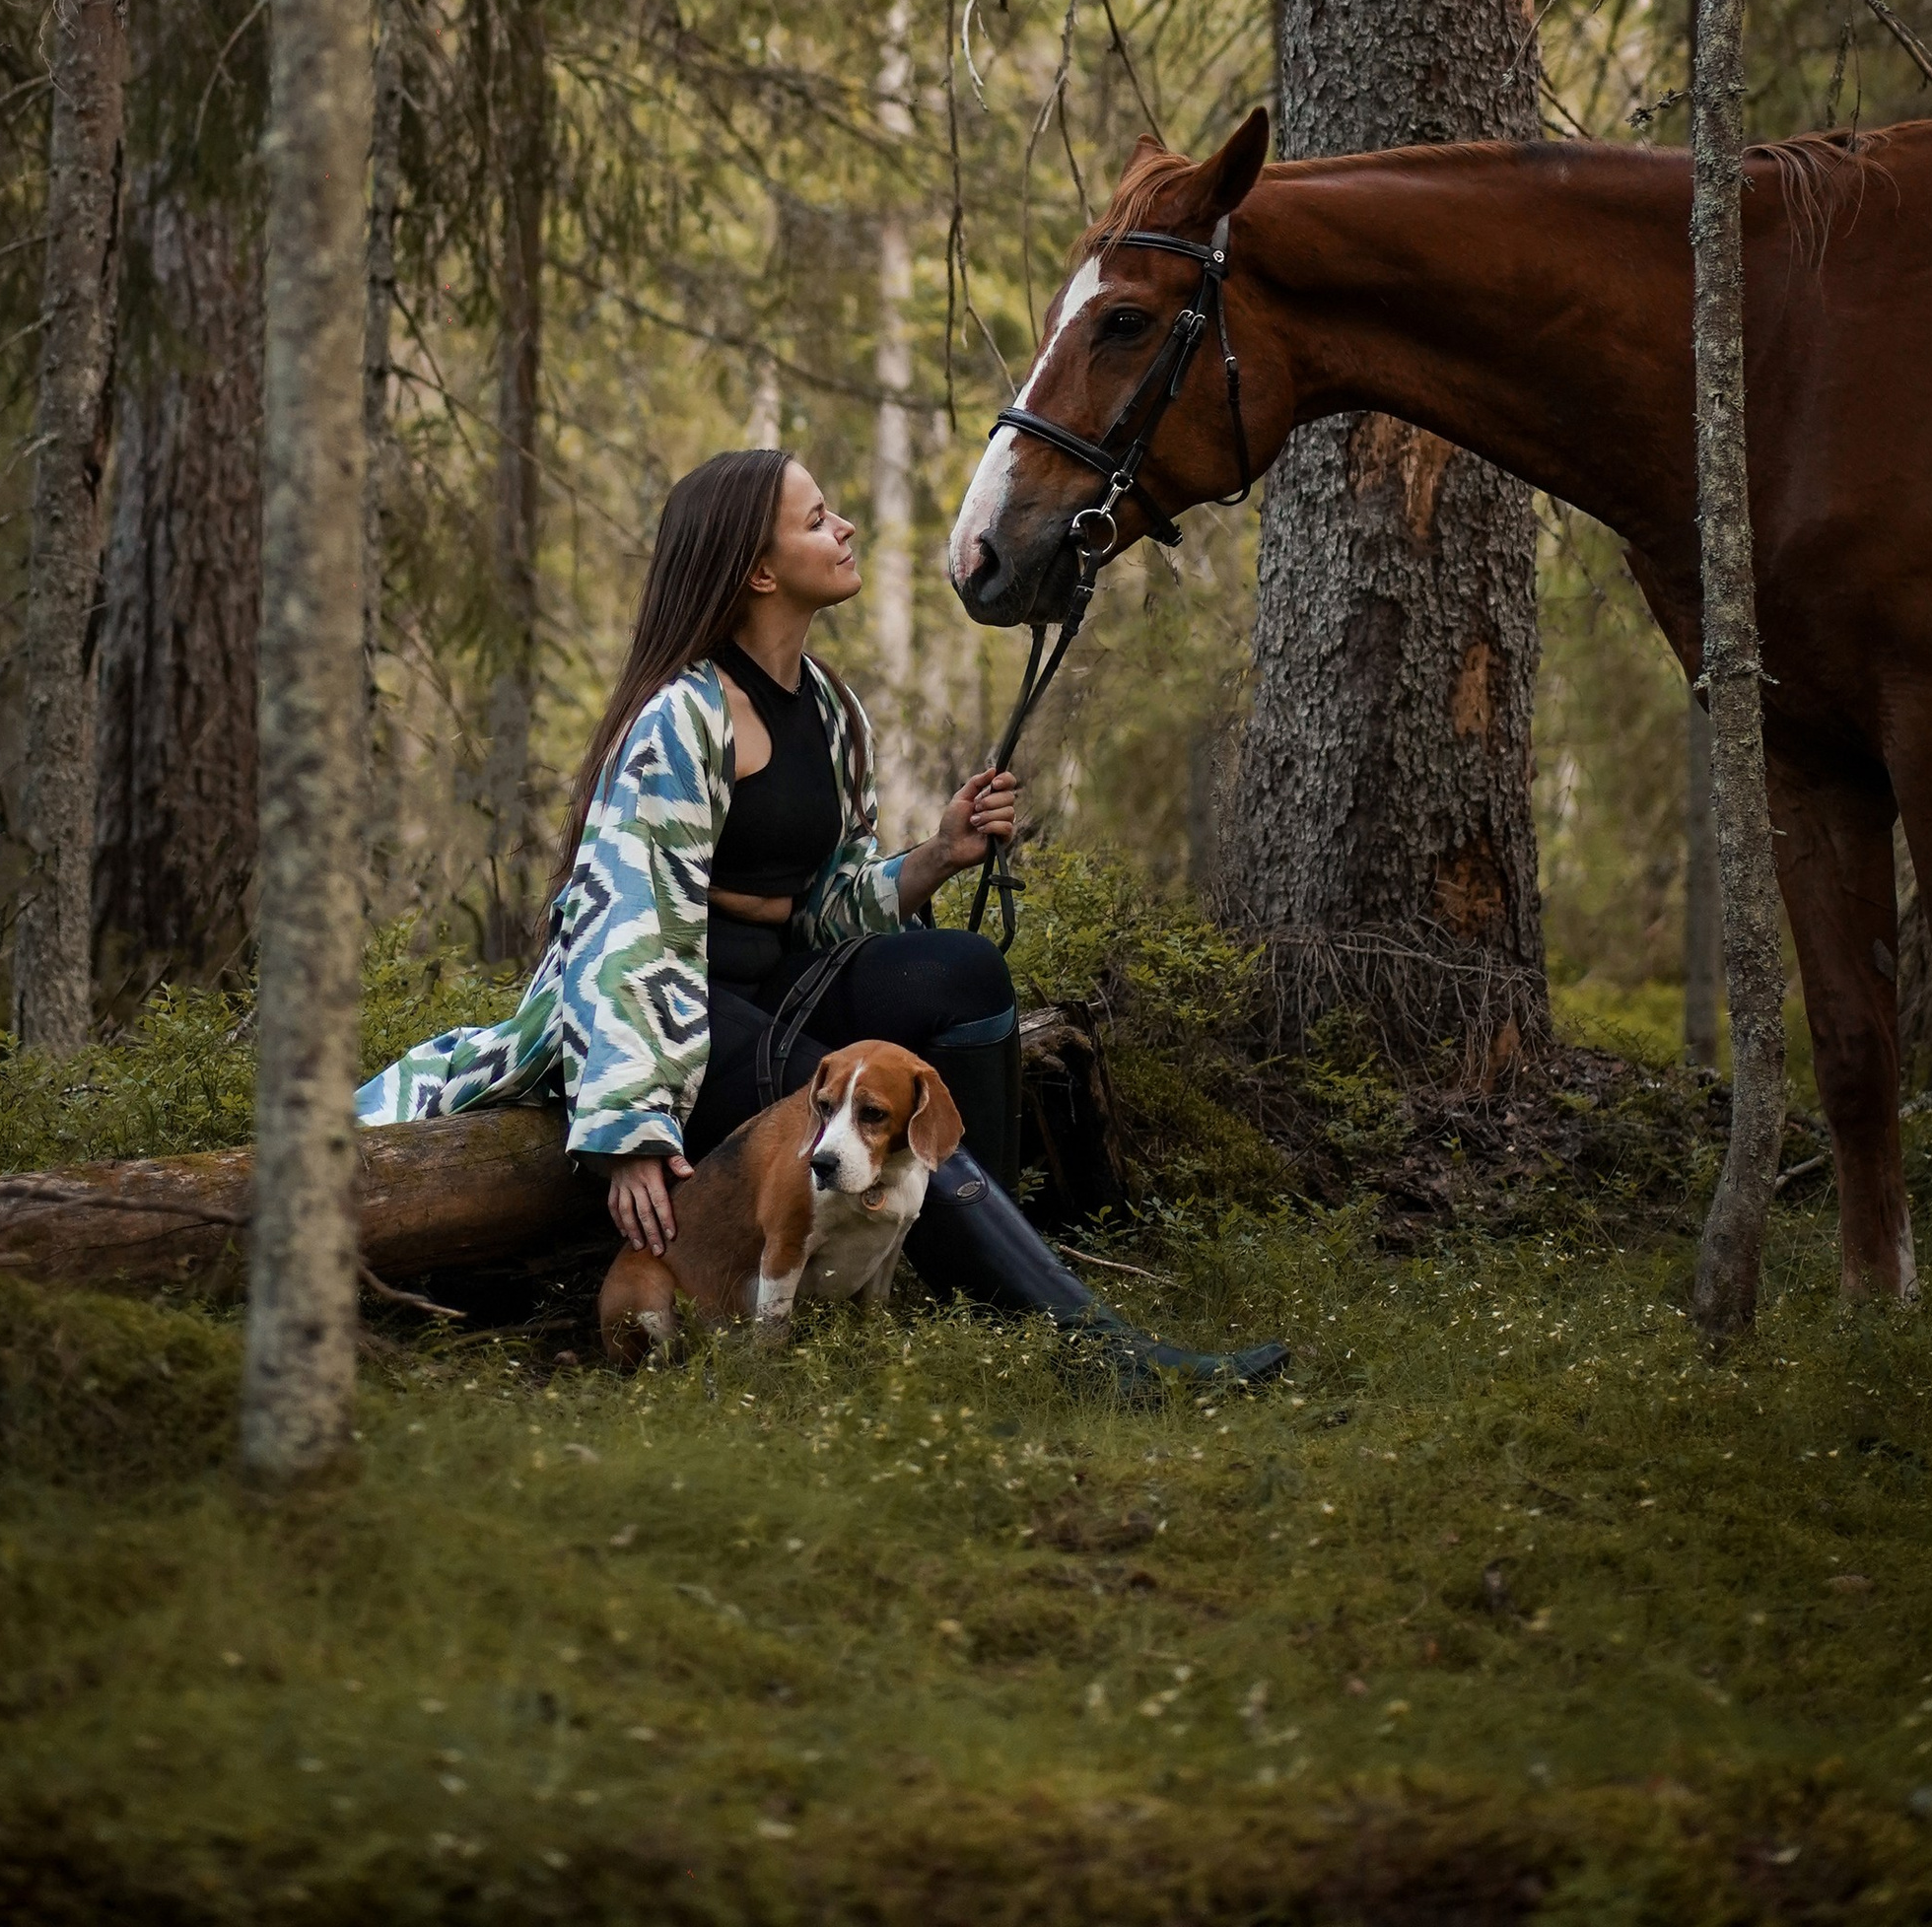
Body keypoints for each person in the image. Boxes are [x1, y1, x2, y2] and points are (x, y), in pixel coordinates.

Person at [357, 444, 1285, 1386]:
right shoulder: (678, 718)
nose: (843, 528)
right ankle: (1095, 1350)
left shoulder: (832, 709)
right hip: (684, 1010)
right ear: (759, 570)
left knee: (964, 972)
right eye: (816, 520)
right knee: (841, 1097)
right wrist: (631, 1132)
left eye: (833, 509)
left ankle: (984, 1293)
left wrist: (938, 854)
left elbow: (830, 904)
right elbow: (620, 931)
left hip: (778, 978)